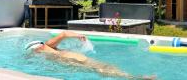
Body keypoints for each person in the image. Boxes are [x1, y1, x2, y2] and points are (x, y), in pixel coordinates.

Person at [25, 31, 155, 80]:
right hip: (75, 61)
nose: (38, 50)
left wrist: (78, 36)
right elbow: (63, 35)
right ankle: (137, 78)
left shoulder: (49, 47)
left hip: (77, 61)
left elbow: (63, 34)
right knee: (104, 70)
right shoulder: (47, 51)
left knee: (106, 69)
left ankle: (137, 78)